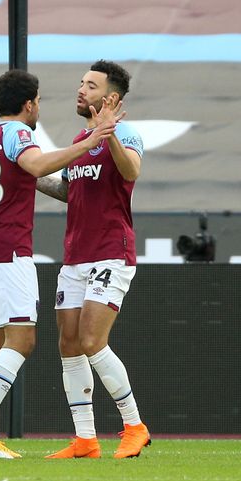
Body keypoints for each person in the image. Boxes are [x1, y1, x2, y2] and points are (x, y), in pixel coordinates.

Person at [0, 69, 117, 459]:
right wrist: (91, 141)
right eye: (39, 102)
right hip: (10, 249)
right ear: (29, 104)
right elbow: (36, 165)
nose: (39, 108)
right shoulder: (18, 133)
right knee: (22, 340)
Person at [37, 60, 150, 459]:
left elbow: (130, 171)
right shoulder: (80, 140)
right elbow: (71, 192)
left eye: (91, 85)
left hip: (111, 252)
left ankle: (134, 426)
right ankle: (85, 439)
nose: (81, 90)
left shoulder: (127, 134)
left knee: (91, 340)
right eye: (81, 83)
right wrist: (28, 175)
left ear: (111, 98)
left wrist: (109, 133)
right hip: (75, 256)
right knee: (69, 344)